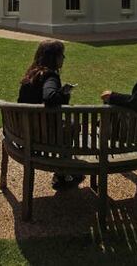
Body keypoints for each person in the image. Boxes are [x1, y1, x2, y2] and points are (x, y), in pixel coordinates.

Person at [18, 40, 83, 189]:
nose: (64, 58)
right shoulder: (50, 75)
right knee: (73, 125)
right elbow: (49, 97)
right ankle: (62, 173)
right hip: (44, 137)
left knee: (68, 125)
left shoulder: (31, 75)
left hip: (24, 133)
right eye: (61, 55)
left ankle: (63, 171)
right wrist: (64, 94)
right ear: (54, 57)